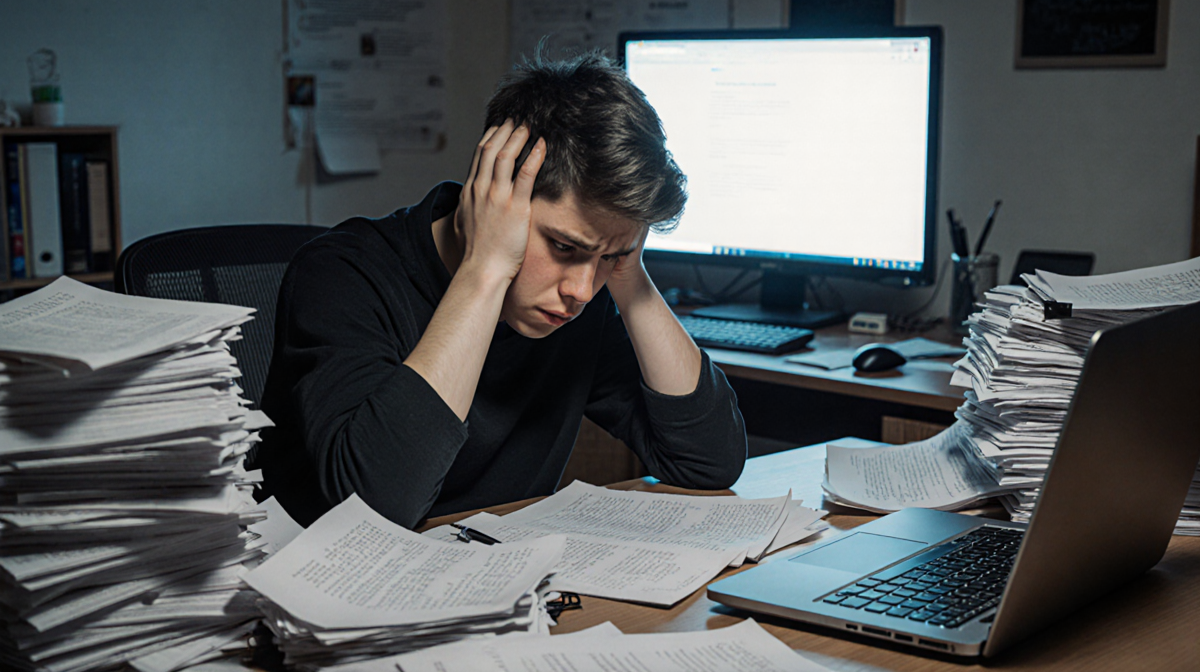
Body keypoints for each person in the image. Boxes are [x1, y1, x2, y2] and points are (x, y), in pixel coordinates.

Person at [255, 52, 747, 529]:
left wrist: (627, 269)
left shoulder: (580, 296)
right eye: (563, 246)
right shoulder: (342, 274)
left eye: (608, 258)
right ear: (495, 196)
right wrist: (484, 270)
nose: (579, 291)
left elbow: (709, 464)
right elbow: (375, 510)